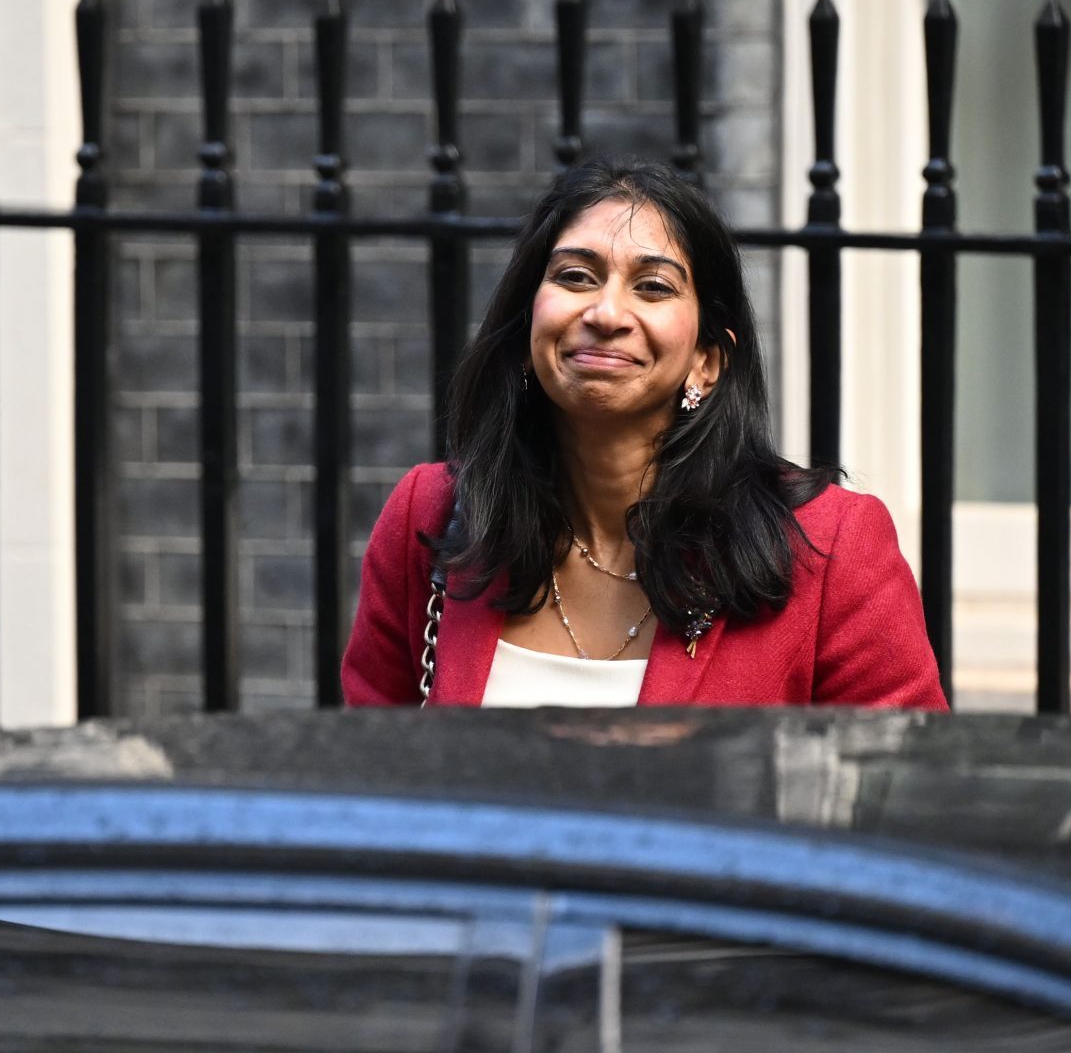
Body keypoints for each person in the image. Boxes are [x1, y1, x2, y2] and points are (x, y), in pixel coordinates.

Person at [343, 159, 945, 709]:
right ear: (529, 323)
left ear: (708, 359)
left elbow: (901, 795)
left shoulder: (829, 545)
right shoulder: (431, 517)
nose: (605, 314)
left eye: (653, 286)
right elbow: (371, 786)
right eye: (576, 277)